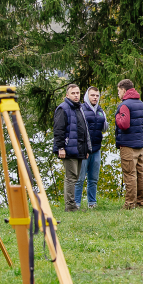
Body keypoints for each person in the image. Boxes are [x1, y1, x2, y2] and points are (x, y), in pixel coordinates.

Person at [52, 84, 91, 212]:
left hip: (79, 149)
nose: (76, 95)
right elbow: (58, 130)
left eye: (78, 93)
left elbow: (84, 131)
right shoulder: (62, 109)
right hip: (68, 149)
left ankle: (73, 204)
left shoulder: (79, 108)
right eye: (73, 93)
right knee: (71, 177)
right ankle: (70, 206)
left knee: (77, 177)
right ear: (67, 95)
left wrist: (86, 150)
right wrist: (61, 147)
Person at [114, 79, 143, 210]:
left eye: (118, 91)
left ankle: (129, 204)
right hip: (140, 145)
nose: (118, 94)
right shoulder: (141, 104)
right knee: (141, 173)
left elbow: (124, 124)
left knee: (130, 174)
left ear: (124, 90)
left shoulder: (124, 105)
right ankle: (141, 202)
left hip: (127, 145)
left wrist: (117, 116)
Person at [77, 87, 107, 209]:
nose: (95, 97)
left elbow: (105, 128)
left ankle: (92, 203)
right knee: (80, 178)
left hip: (96, 149)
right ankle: (76, 203)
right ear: (87, 97)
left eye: (97, 95)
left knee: (93, 178)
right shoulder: (81, 109)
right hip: (84, 150)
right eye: (92, 95)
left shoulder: (101, 111)